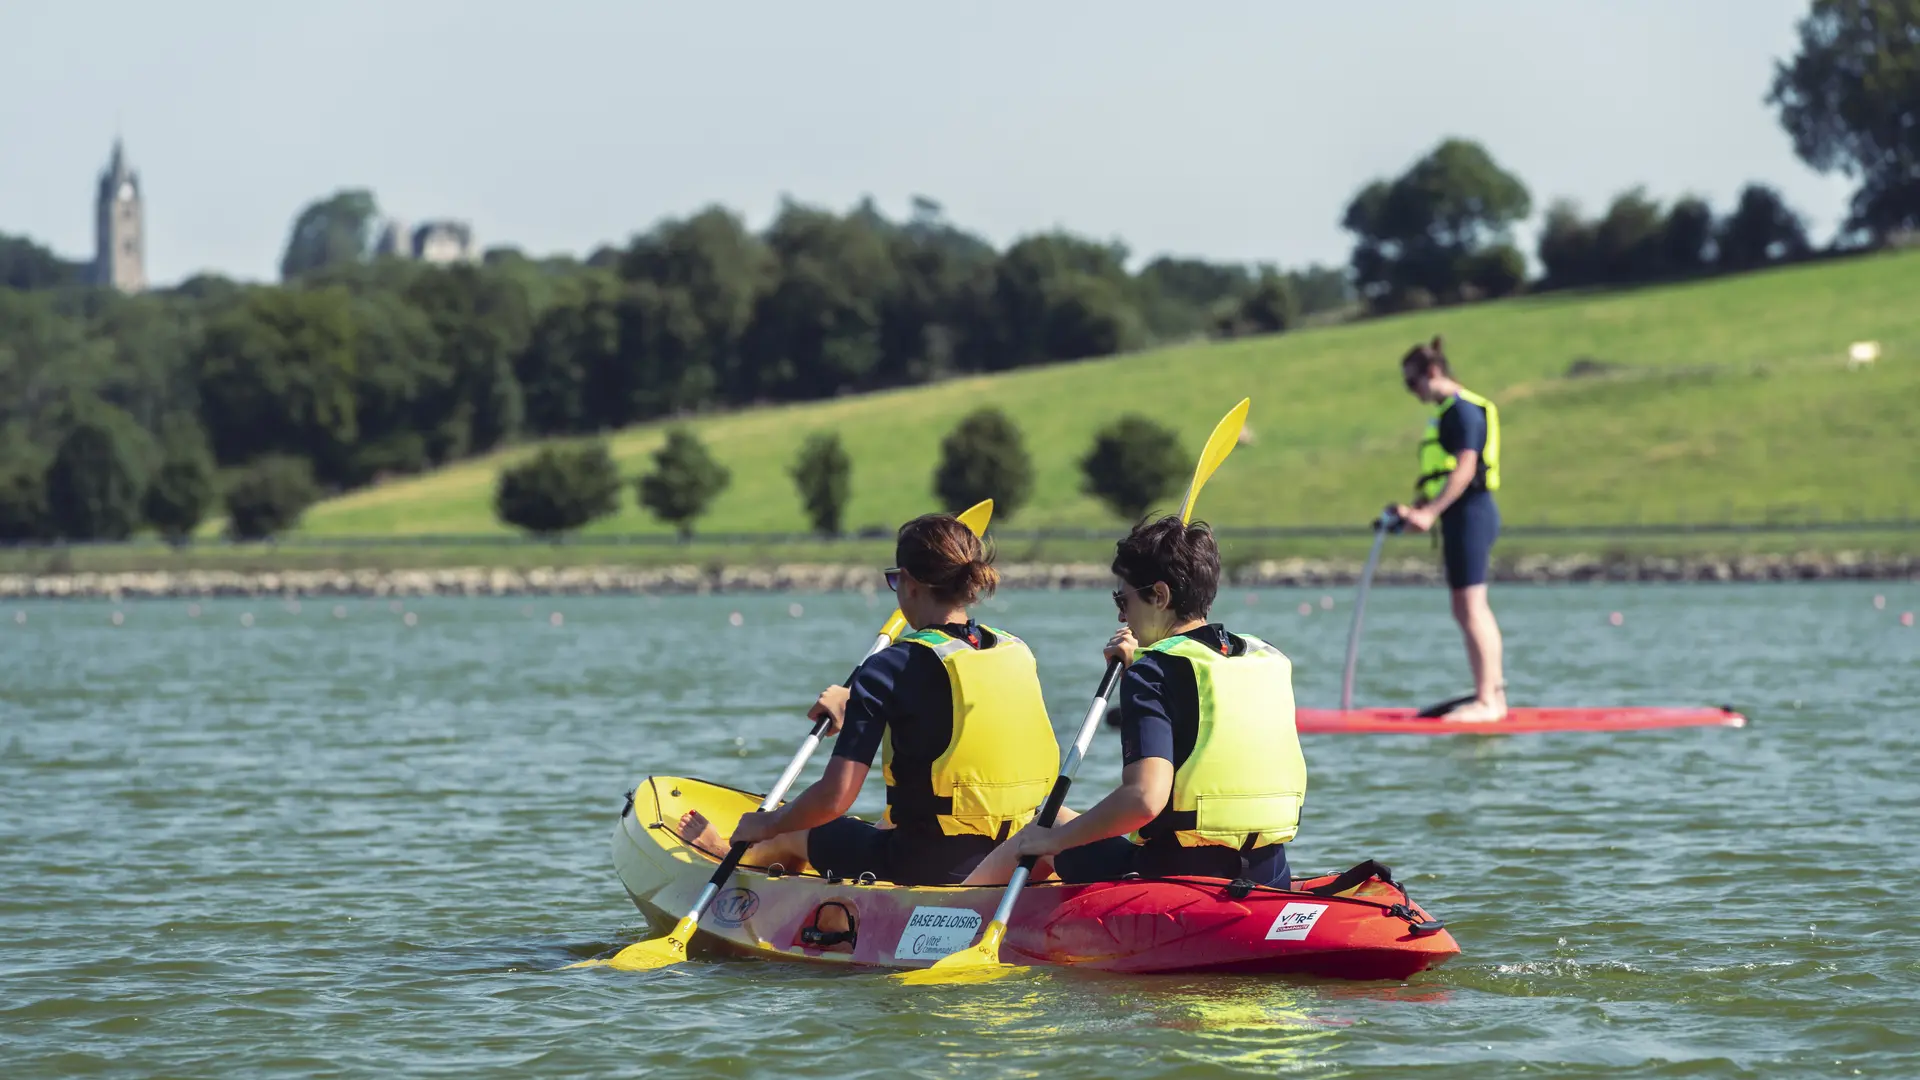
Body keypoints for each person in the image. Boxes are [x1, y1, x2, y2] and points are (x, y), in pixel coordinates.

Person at [677, 512, 1059, 886]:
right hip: (1018, 852)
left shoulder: (889, 667)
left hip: (929, 866)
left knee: (794, 831)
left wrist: (767, 823)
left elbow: (835, 797)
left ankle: (723, 851)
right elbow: (946, 713)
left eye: (895, 580)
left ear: (909, 584)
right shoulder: (1013, 648)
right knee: (891, 816)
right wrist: (855, 701)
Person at [963, 515, 1305, 888]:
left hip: (1176, 882)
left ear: (1159, 596)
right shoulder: (1265, 656)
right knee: (1062, 823)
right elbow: (1198, 712)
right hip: (1271, 876)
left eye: (1122, 600)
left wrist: (1053, 841)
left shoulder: (1153, 670)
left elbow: (1144, 799)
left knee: (1043, 823)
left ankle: (945, 913)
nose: (1122, 616)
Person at [1391, 335, 1507, 722]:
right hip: (1459, 513)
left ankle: (1489, 701)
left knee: (1472, 605)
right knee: (1465, 606)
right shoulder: (1446, 414)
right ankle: (1490, 694)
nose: (1413, 392)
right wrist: (1418, 511)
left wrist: (1430, 513)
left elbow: (1465, 469)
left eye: (1413, 383)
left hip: (1472, 512)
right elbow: (1443, 475)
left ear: (1433, 372)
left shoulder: (1462, 412)